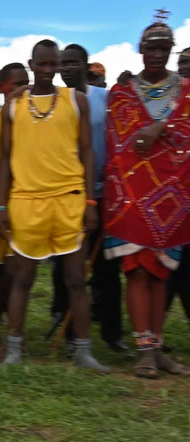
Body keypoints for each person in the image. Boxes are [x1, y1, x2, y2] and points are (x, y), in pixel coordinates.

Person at [0, 39, 108, 372]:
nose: (47, 70)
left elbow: (87, 151)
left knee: (75, 278)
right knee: (23, 278)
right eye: (41, 64)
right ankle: (14, 349)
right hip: (26, 200)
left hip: (69, 198)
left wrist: (89, 200)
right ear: (31, 65)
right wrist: (1, 206)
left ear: (58, 66)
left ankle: (83, 351)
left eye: (52, 64)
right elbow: (3, 158)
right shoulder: (13, 107)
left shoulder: (77, 101)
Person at [103, 20, 190, 378]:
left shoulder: (186, 90)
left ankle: (157, 347)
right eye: (150, 48)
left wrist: (161, 128)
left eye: (163, 48)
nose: (156, 54)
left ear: (170, 51)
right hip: (131, 196)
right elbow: (115, 145)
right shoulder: (121, 92)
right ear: (140, 50)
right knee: (137, 273)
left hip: (173, 195)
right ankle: (144, 351)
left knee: (162, 276)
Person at [52, 44, 126, 353]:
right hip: (67, 193)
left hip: (102, 194)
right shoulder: (54, 101)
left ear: (85, 65)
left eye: (72, 63)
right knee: (66, 267)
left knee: (107, 269)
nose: (66, 68)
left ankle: (113, 334)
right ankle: (67, 329)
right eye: (62, 64)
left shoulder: (104, 99)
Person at [0, 63, 29, 328]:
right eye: (18, 83)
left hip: (22, 197)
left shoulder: (32, 115)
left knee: (14, 267)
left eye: (27, 82)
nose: (25, 88)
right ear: (4, 87)